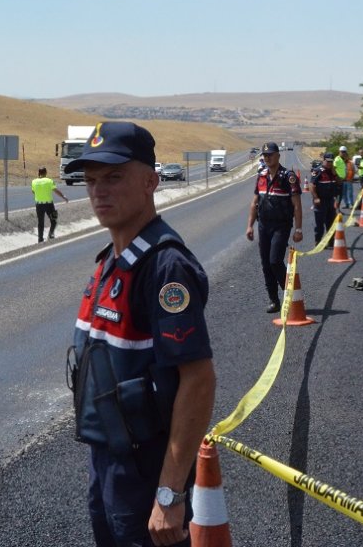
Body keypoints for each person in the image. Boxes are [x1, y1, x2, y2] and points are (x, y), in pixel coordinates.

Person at [62, 121, 215, 547]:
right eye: (91, 180)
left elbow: (198, 380)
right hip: (108, 462)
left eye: (114, 177)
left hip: (147, 470)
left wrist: (169, 493)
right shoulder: (111, 260)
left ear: (150, 181)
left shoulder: (165, 268)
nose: (99, 191)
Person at [246, 141, 304, 313]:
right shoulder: (262, 176)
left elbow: (297, 205)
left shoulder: (288, 176)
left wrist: (298, 229)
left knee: (275, 261)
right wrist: (249, 226)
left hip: (281, 225)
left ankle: (289, 293)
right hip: (263, 225)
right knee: (265, 264)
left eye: (270, 154)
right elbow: (254, 202)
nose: (267, 157)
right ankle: (274, 300)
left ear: (278, 156)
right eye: (265, 155)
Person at [31, 166, 69, 243]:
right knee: (54, 220)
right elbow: (56, 190)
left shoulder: (34, 182)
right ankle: (51, 235)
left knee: (40, 222)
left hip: (39, 205)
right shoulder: (49, 181)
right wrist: (63, 197)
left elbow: (33, 192)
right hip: (49, 204)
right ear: (46, 173)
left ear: (38, 173)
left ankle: (40, 239)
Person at [309, 151, 340, 243]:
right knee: (319, 224)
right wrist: (315, 198)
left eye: (331, 161)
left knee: (331, 223)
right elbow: (311, 185)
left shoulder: (332, 171)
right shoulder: (318, 171)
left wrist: (335, 174)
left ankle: (330, 242)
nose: (329, 163)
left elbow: (339, 182)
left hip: (330, 201)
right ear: (324, 160)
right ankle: (318, 242)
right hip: (320, 202)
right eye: (328, 161)